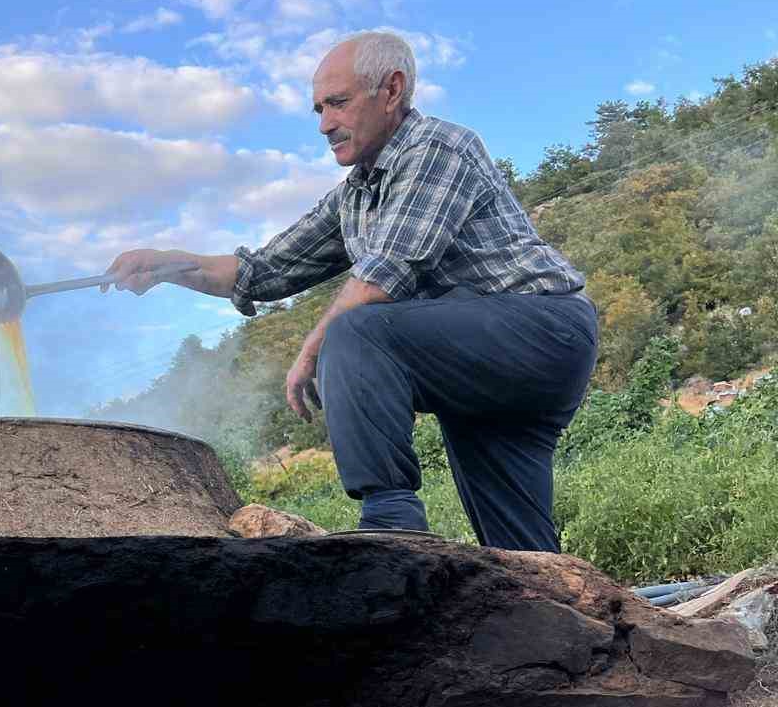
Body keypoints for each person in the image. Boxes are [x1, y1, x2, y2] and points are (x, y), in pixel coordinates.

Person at [104, 31, 597, 552]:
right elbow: (264, 271)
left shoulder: (439, 148)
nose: (324, 124)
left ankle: (390, 523)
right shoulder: (355, 195)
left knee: (359, 330)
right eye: (318, 109)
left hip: (542, 332)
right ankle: (560, 610)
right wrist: (165, 265)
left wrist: (314, 349)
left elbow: (385, 274)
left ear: (392, 90)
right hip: (482, 372)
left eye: (337, 103)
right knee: (521, 552)